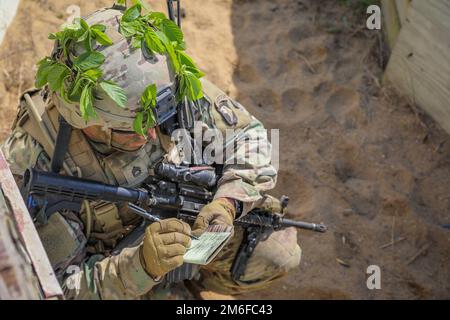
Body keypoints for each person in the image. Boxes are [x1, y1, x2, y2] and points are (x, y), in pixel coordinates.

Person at [1, 5, 301, 299]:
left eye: (156, 120)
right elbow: (59, 290)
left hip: (181, 230)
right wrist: (142, 265)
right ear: (84, 120)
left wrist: (226, 203)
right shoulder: (34, 160)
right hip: (110, 269)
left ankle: (188, 280)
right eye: (130, 128)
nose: (149, 134)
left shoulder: (160, 85)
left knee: (275, 253)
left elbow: (252, 138)